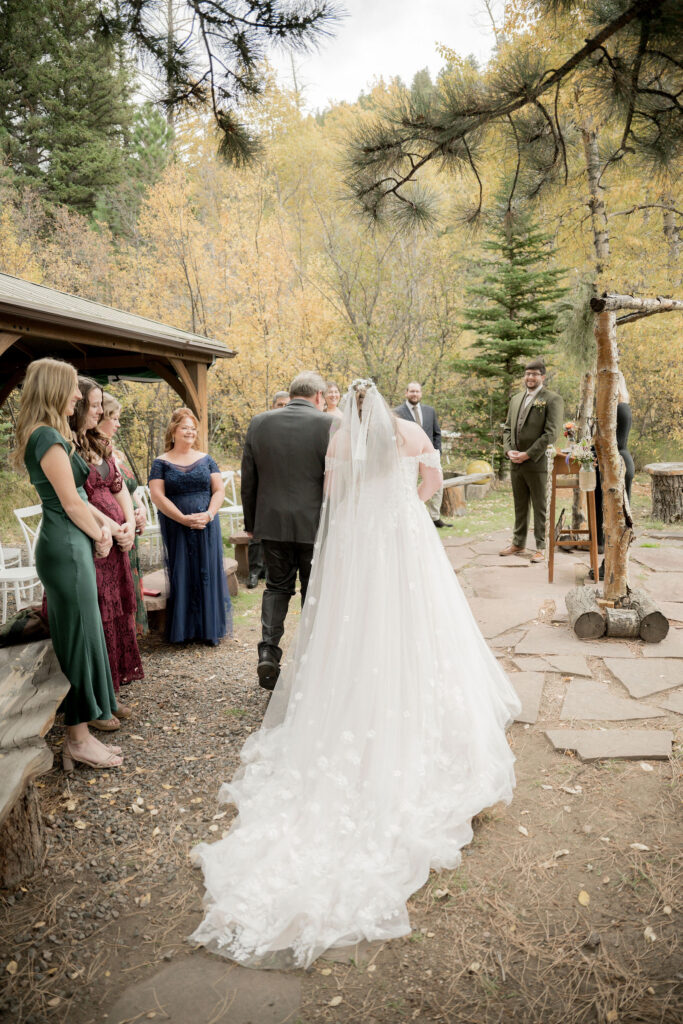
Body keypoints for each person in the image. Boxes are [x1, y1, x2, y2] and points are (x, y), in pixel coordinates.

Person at [190, 380, 521, 968]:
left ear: (347, 408)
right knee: (418, 622)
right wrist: (406, 507)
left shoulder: (340, 442)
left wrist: (363, 517)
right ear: (386, 404)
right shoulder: (411, 432)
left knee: (357, 625)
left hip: (362, 543)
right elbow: (434, 484)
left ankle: (339, 688)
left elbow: (334, 498)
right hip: (405, 540)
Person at [13, 358, 123, 771]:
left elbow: (78, 498)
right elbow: (72, 503)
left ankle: (87, 721)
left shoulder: (50, 434)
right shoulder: (48, 438)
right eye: (72, 389)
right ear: (54, 390)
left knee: (84, 632)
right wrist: (102, 536)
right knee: (78, 637)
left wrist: (108, 526)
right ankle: (77, 739)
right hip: (66, 548)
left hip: (69, 543)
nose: (79, 395)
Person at [241, 371, 331, 689]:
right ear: (318, 396)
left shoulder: (260, 422)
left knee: (277, 588)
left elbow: (248, 477)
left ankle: (268, 653)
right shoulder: (329, 424)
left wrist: (252, 524)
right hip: (315, 525)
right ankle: (310, 659)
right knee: (313, 591)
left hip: (272, 523)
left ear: (292, 394)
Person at [70, 379, 143, 709]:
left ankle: (111, 690)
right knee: (100, 615)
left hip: (116, 541)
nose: (100, 411)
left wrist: (127, 524)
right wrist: (112, 529)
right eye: (96, 405)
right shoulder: (69, 445)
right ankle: (99, 694)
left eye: (102, 405)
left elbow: (118, 487)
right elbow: (75, 498)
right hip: (94, 538)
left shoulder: (99, 443)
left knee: (116, 615)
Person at [149, 408, 231, 645]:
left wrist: (208, 514)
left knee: (207, 571)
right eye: (185, 427)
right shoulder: (161, 463)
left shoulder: (207, 459)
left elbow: (219, 490)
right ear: (173, 430)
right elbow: (158, 496)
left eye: (193, 428)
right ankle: (184, 630)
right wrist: (183, 519)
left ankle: (209, 629)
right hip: (176, 525)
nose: (190, 432)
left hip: (206, 524)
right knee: (182, 571)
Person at [501, 359, 563, 563]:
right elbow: (508, 429)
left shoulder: (552, 399)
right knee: (519, 504)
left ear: (543, 377)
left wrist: (528, 454)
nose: (530, 377)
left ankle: (541, 546)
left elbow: (551, 433)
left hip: (537, 462)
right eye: (528, 374)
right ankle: (518, 542)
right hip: (515, 461)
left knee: (540, 506)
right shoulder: (516, 399)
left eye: (535, 374)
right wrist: (509, 451)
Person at [100, 393, 149, 637]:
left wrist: (140, 513)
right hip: (110, 531)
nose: (118, 424)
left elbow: (129, 491)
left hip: (128, 527)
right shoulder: (93, 455)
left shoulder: (116, 453)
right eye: (115, 418)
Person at [590, 371, 635, 581]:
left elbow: (609, 442)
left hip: (616, 466)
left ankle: (611, 568)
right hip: (615, 463)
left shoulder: (616, 408)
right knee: (612, 516)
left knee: (616, 519)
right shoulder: (619, 405)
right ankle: (607, 561)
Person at [247, 391, 290, 590]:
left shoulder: (293, 428)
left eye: (286, 405)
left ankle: (276, 570)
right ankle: (254, 571)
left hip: (285, 489)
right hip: (262, 487)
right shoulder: (261, 425)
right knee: (256, 533)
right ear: (273, 406)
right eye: (280, 404)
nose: (283, 408)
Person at [394, 381, 445, 526]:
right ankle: (415, 509)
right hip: (407, 457)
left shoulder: (430, 411)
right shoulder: (396, 412)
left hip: (429, 456)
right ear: (406, 393)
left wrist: (436, 453)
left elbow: (437, 433)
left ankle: (435, 516)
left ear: (421, 393)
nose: (414, 394)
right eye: (412, 391)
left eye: (417, 391)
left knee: (436, 484)